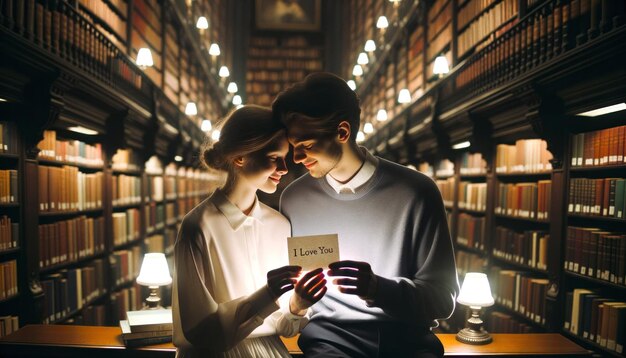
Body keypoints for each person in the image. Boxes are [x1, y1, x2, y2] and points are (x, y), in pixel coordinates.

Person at [273, 72, 460, 357]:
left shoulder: (417, 192)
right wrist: (297, 302)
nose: (296, 159)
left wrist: (378, 289)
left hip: (408, 342)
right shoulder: (294, 199)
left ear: (343, 132)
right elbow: (289, 292)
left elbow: (443, 300)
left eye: (306, 146)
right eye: (293, 147)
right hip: (328, 343)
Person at [172, 105, 327, 358]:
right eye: (274, 157)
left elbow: (284, 328)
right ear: (240, 157)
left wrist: (297, 305)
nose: (284, 168)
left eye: (285, 157)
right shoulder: (198, 227)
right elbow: (200, 332)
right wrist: (268, 293)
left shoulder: (279, 225)